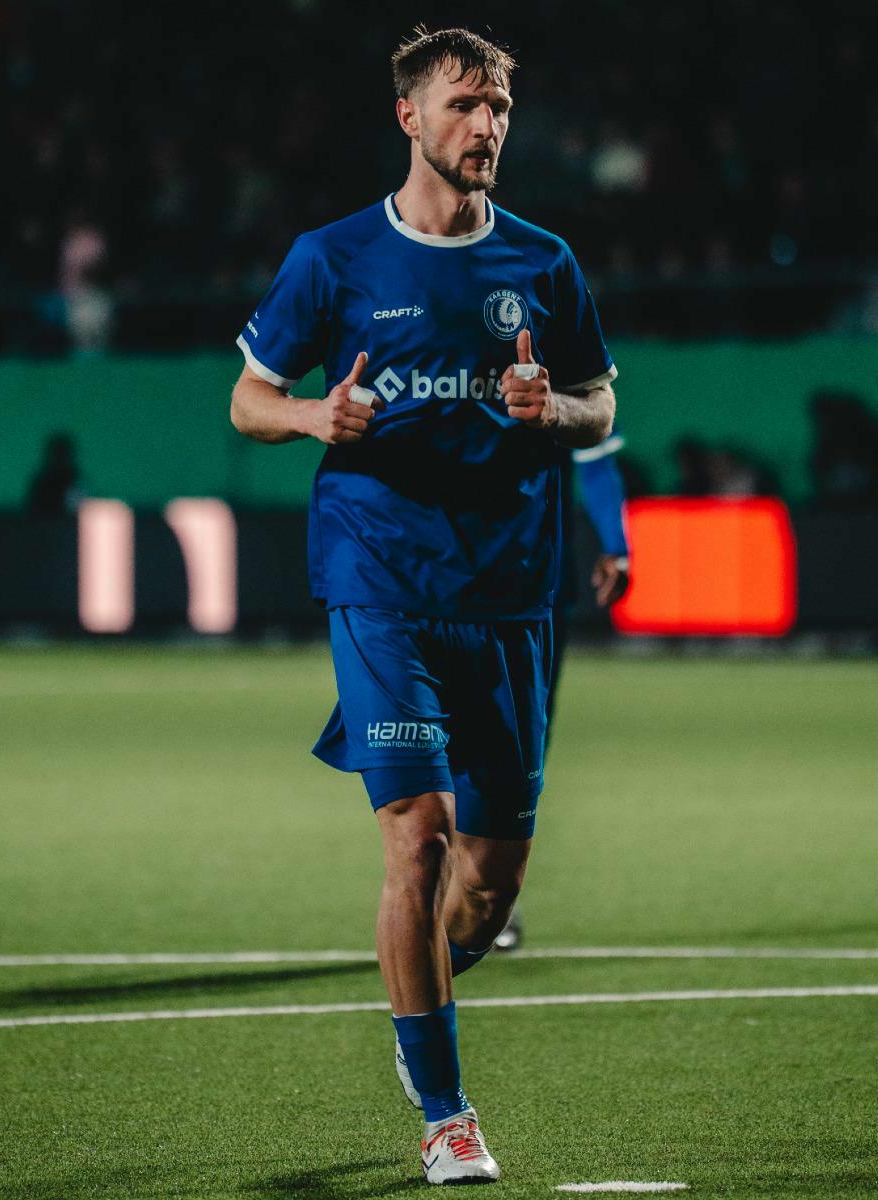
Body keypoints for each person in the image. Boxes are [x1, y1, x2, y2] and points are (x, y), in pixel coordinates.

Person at [228, 27, 616, 1186]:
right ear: (409, 116)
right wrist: (314, 417)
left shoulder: (544, 261)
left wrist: (552, 412)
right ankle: (447, 1112)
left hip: (509, 593)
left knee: (486, 890)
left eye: (499, 107)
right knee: (419, 832)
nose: (486, 125)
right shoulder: (334, 258)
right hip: (380, 578)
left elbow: (601, 407)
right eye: (464, 105)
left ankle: (420, 1001)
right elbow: (249, 399)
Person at [494, 431, 630, 952]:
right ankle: (452, 884)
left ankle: (492, 892)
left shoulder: (560, 377)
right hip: (437, 587)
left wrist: (617, 545)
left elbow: (594, 458)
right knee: (443, 743)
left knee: (522, 750)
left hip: (539, 588)